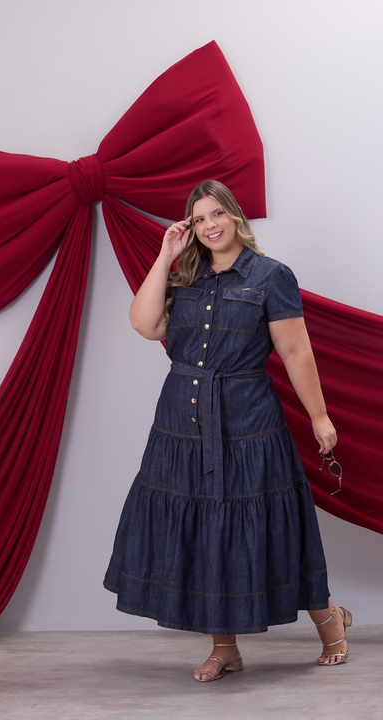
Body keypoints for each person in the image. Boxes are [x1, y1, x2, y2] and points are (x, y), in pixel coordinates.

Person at [103, 180, 351, 682]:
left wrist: (320, 416)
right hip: (180, 424)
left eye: (216, 214)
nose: (209, 225)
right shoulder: (185, 278)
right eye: (198, 219)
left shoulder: (271, 276)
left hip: (248, 422)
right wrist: (165, 254)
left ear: (234, 215)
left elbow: (295, 351)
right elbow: (145, 325)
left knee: (271, 526)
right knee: (206, 532)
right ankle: (225, 649)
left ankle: (330, 623)